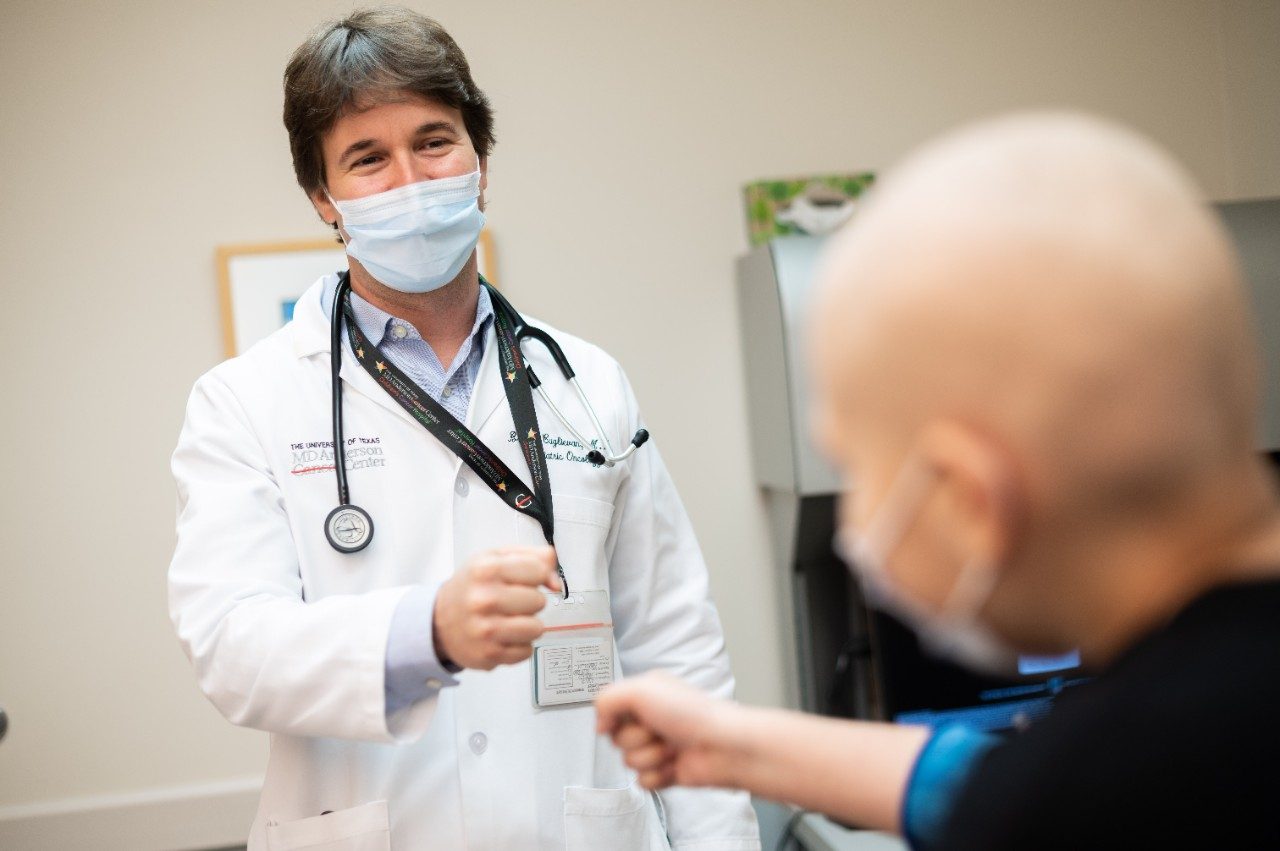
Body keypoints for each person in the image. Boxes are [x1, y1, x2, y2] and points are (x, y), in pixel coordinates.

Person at [597, 111, 1280, 850]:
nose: (856, 520)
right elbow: (983, 778)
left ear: (969, 501)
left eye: (855, 467)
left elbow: (1036, 794)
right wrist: (732, 743)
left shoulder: (1097, 797)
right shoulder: (1169, 749)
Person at [168, 7, 758, 850]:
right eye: (367, 158)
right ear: (322, 198)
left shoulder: (587, 384)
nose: (410, 179)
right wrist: (428, 631)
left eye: (434, 141)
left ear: (480, 163)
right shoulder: (245, 399)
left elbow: (677, 648)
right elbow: (232, 648)